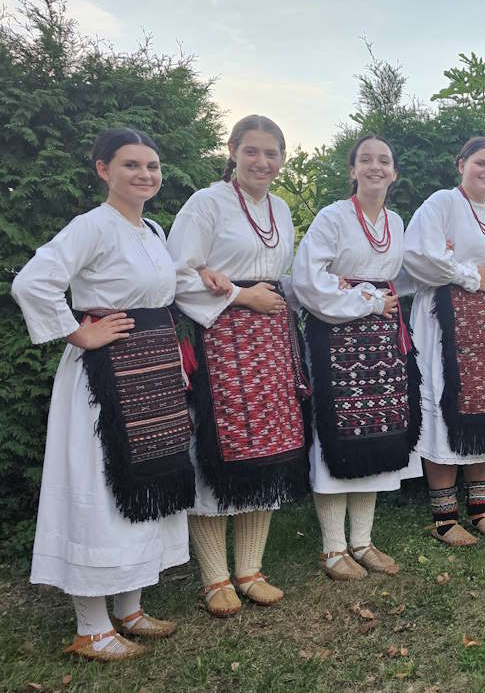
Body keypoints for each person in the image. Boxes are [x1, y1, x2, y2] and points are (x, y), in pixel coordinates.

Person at [11, 128, 193, 661]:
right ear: (102, 170)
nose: (145, 175)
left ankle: (129, 608)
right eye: (131, 165)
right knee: (101, 492)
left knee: (144, 486)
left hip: (155, 374)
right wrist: (79, 332)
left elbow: (166, 289)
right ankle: (91, 626)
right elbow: (33, 282)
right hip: (105, 382)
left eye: (152, 166)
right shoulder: (90, 226)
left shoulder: (153, 229)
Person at [166, 115, 308, 617]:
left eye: (272, 154)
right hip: (221, 337)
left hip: (271, 342)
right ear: (232, 150)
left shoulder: (282, 208)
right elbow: (177, 273)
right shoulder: (207, 203)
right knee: (220, 448)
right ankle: (214, 577)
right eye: (252, 151)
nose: (262, 162)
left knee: (269, 448)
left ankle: (250, 569)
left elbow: (281, 273)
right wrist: (243, 296)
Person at [292, 135, 421, 579]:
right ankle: (332, 549)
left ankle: (362, 542)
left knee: (377, 435)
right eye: (365, 159)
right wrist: (365, 299)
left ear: (394, 173)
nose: (375, 167)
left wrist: (375, 300)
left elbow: (398, 280)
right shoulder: (333, 217)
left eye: (384, 160)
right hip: (337, 335)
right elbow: (308, 280)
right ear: (352, 170)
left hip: (383, 337)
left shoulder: (397, 221)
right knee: (338, 435)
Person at [402, 136, 485, 546]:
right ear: (461, 164)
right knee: (444, 407)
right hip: (446, 324)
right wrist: (465, 272)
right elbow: (418, 256)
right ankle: (443, 517)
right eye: (481, 163)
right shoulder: (440, 204)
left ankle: (480, 510)